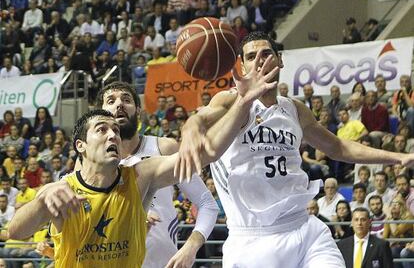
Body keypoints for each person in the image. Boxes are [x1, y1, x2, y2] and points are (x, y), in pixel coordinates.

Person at [176, 31, 414, 267]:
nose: (260, 60)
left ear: (279, 61)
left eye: (266, 53)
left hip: (304, 229)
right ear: (242, 65)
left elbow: (338, 146)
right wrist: (190, 130)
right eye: (251, 56)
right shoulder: (230, 101)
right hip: (254, 238)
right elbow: (201, 118)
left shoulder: (295, 109)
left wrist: (398, 158)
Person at [8, 65, 273, 267]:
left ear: (138, 110)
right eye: (103, 127)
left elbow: (207, 153)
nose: (112, 133)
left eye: (114, 129)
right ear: (81, 145)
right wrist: (42, 199)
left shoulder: (141, 173)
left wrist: (242, 102)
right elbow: (16, 231)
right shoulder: (65, 186)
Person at [95, 82, 218, 268]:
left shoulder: (164, 147)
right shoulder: (92, 161)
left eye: (126, 99)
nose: (119, 104)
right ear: (100, 114)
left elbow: (207, 203)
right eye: (111, 101)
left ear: (138, 110)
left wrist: (191, 247)